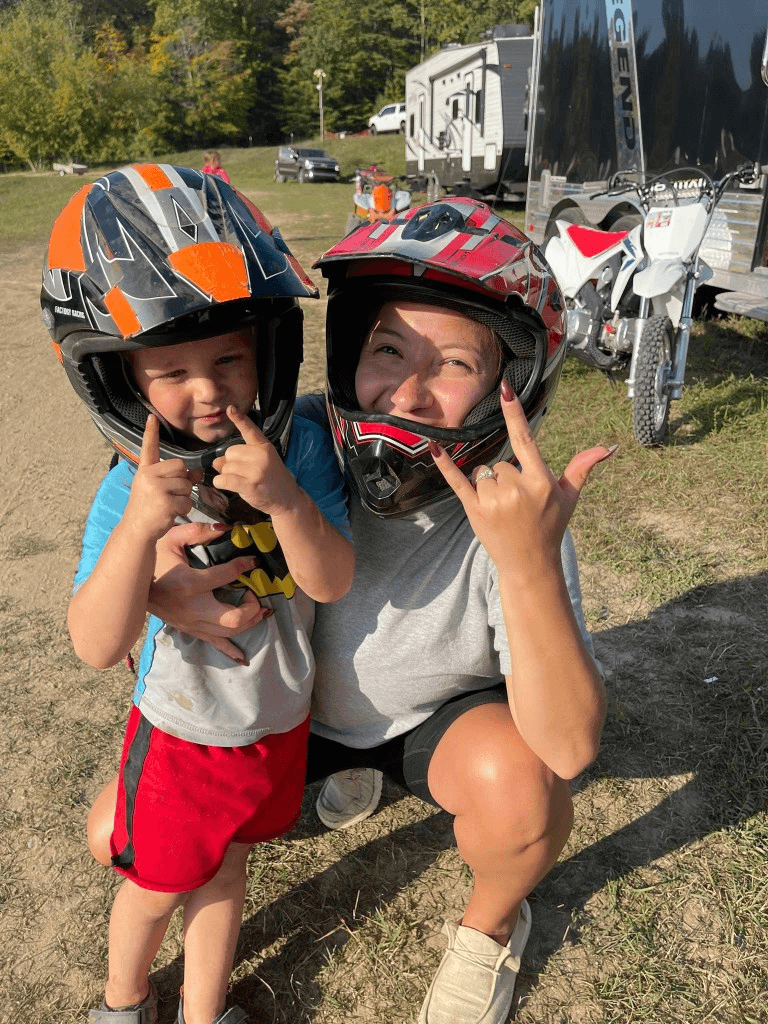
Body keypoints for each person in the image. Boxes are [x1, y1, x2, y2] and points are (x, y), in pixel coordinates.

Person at [90, 197, 612, 1024]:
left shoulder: (511, 509)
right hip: (285, 725)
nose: (406, 390)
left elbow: (570, 746)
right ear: (345, 351)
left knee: (523, 793)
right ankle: (338, 787)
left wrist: (527, 566)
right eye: (387, 349)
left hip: (431, 720)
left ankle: (491, 928)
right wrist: (158, 591)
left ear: (508, 383)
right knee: (110, 837)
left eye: (452, 364)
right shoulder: (286, 444)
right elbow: (129, 562)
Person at [42, 163, 354, 1024]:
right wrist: (141, 529)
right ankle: (121, 1004)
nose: (208, 389)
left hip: (275, 721)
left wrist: (285, 496)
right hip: (183, 735)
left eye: (228, 357)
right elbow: (96, 644)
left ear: (270, 349)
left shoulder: (303, 454)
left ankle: (204, 1011)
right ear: (120, 378)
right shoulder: (129, 487)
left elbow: (331, 577)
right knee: (153, 889)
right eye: (171, 369)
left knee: (226, 873)